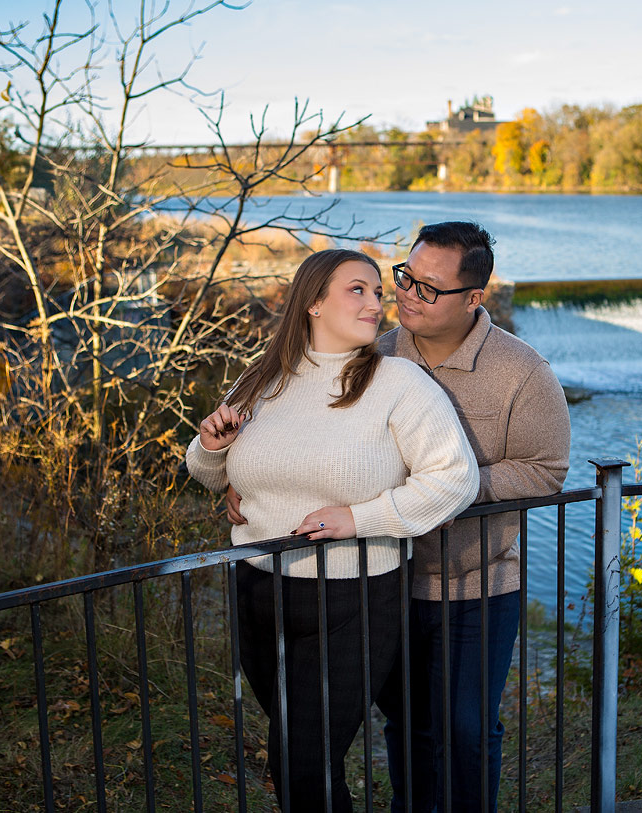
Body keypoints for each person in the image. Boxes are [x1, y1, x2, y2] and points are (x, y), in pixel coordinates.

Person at [228, 223, 571, 810]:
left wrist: (431, 490)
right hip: (382, 582)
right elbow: (307, 445)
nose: (408, 295)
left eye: (430, 288)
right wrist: (247, 491)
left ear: (472, 298)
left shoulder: (523, 372)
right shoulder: (375, 355)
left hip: (472, 581)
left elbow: (545, 470)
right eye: (405, 278)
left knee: (465, 729)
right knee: (407, 725)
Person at [185, 248, 479, 813]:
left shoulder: (400, 382)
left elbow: (454, 479)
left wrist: (357, 518)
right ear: (314, 302)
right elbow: (208, 474)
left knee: (299, 766)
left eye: (377, 291)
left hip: (354, 598)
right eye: (358, 290)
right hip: (256, 590)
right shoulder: (262, 379)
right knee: (302, 762)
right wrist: (210, 448)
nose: (377, 303)